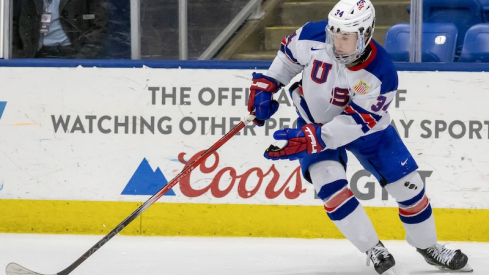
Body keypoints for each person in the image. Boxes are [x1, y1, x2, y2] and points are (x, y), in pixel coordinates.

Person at [247, 0, 472, 274]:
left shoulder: (381, 72)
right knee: (330, 188)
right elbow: (287, 57)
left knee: (410, 188)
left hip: (368, 132)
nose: (336, 43)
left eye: (346, 37)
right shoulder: (313, 35)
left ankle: (429, 247)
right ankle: (373, 248)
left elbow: (356, 122)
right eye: (334, 34)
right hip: (312, 122)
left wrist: (311, 140)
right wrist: (268, 84)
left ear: (365, 35)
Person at [12, 0, 107, 59]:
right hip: (37, 54)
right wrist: (19, 54)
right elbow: (12, 23)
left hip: (73, 53)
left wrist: (83, 56)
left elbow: (100, 25)